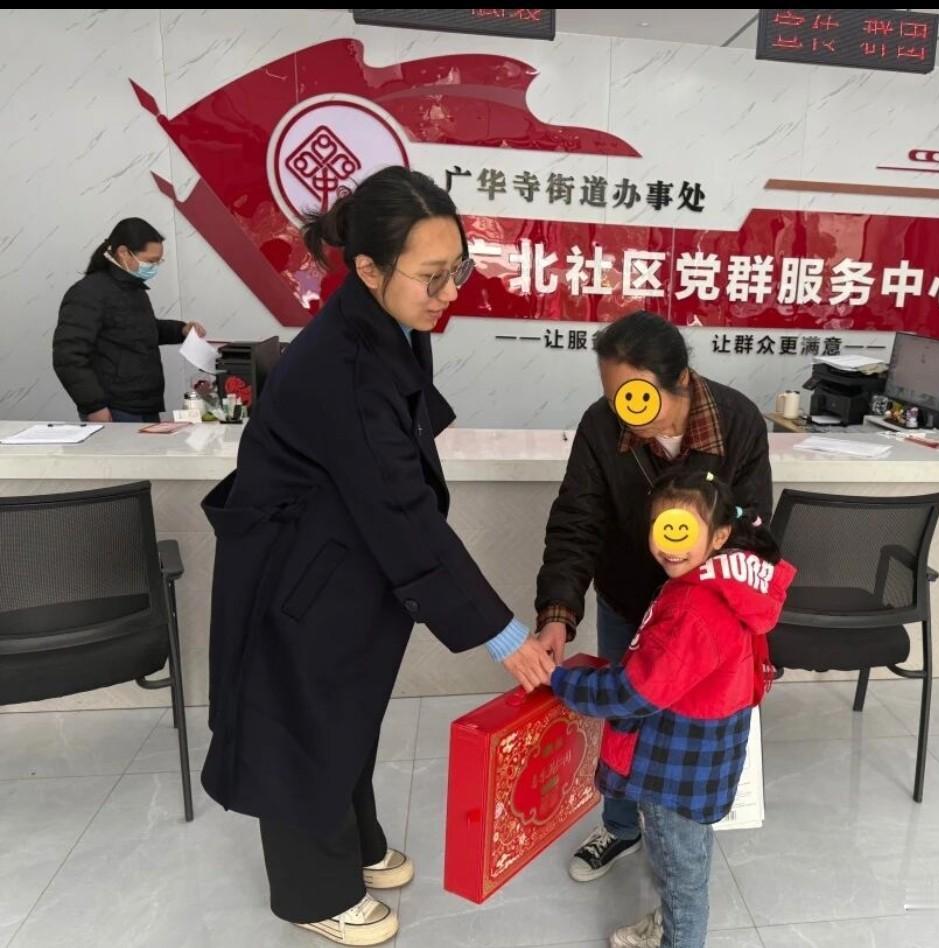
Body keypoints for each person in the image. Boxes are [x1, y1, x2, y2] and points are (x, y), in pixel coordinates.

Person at [199, 167, 555, 946]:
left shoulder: (386, 321)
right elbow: (403, 512)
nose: (448, 292)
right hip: (299, 572)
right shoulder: (344, 366)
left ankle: (357, 845)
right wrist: (502, 636)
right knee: (303, 721)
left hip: (341, 553)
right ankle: (313, 894)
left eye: (457, 269)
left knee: (347, 710)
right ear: (367, 268)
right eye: (432, 276)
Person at [534, 310, 773, 881]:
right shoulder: (601, 427)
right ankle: (620, 827)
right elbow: (576, 521)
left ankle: (680, 845)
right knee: (624, 715)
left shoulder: (737, 420)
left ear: (680, 380)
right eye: (614, 396)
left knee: (686, 736)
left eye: (637, 398)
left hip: (703, 619)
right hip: (628, 600)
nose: (624, 413)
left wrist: (701, 606)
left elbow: (750, 531)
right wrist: (557, 614)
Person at [551, 469, 794, 948]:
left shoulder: (693, 608)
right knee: (689, 857)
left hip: (672, 771)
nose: (670, 546)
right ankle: (669, 925)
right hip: (704, 758)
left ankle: (677, 937)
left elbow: (635, 692)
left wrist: (562, 682)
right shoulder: (723, 583)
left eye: (683, 531)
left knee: (679, 876)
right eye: (662, 529)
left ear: (719, 536)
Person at [53, 218, 206, 422]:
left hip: (144, 405)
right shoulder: (88, 292)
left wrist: (181, 330)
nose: (154, 267)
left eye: (158, 261)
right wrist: (94, 406)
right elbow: (68, 355)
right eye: (150, 261)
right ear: (123, 253)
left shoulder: (134, 288)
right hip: (114, 408)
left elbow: (141, 330)